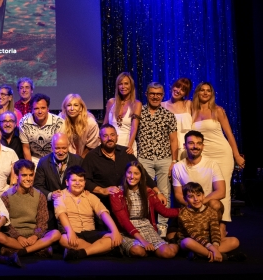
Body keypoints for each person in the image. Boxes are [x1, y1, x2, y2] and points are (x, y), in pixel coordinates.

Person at [191, 82, 244, 222]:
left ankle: (222, 223)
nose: (205, 93)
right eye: (202, 90)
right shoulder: (191, 111)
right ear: (198, 92)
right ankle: (205, 223)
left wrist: (236, 154)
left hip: (222, 153)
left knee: (223, 189)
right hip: (203, 155)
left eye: (208, 91)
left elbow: (229, 134)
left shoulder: (218, 110)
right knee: (205, 187)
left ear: (211, 94)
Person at [110, 161, 179, 258]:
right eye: (129, 173)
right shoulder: (117, 194)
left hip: (146, 228)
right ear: (125, 174)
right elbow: (124, 221)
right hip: (127, 231)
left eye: (136, 173)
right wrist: (143, 241)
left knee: (168, 253)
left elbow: (165, 212)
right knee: (138, 251)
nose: (132, 176)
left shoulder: (149, 192)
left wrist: (185, 211)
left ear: (141, 176)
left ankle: (179, 244)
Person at [82, 124, 162, 207]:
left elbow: (142, 173)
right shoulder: (91, 157)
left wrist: (158, 192)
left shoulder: (126, 152)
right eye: (105, 136)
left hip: (127, 203)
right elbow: (85, 180)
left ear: (117, 137)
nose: (109, 138)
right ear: (100, 139)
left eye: (112, 135)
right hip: (103, 204)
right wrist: (102, 190)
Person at [135, 82, 178, 237]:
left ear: (162, 96)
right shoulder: (139, 113)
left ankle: (162, 226)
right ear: (146, 94)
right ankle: (145, 223)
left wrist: (174, 161)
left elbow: (174, 140)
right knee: (143, 192)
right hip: (144, 157)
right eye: (152, 93)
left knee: (164, 193)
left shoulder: (168, 115)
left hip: (164, 158)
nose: (155, 96)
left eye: (158, 94)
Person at [55, 165, 123, 261]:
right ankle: (101, 250)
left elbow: (103, 213)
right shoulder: (60, 195)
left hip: (91, 233)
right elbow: (61, 214)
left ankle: (81, 253)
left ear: (85, 182)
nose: (78, 183)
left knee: (113, 237)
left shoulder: (90, 196)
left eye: (81, 180)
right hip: (73, 233)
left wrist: (115, 231)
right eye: (74, 180)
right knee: (63, 239)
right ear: (67, 182)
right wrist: (70, 231)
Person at [0, 160, 61, 258]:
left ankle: (22, 251)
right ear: (17, 176)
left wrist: (35, 236)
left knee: (56, 234)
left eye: (31, 175)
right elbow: (5, 223)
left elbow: (42, 221)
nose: (28, 178)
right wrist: (18, 236)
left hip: (34, 235)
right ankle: (36, 249)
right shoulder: (6, 196)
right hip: (14, 236)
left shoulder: (40, 195)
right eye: (24, 175)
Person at [172, 131, 226, 236]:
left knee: (215, 204)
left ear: (203, 146)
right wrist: (192, 204)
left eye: (199, 143)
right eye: (191, 143)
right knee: (171, 239)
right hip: (188, 207)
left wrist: (200, 202)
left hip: (207, 206)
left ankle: (209, 234)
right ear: (185, 146)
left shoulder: (212, 164)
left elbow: (221, 191)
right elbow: (178, 194)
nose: (195, 146)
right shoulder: (178, 167)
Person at [177, 182, 245, 262]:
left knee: (235, 241)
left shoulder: (211, 211)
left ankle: (201, 254)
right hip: (192, 240)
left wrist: (215, 246)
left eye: (198, 195)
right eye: (191, 197)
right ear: (185, 199)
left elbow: (215, 230)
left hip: (208, 241)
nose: (196, 199)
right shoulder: (183, 213)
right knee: (187, 242)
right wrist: (212, 248)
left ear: (203, 195)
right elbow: (194, 234)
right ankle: (224, 257)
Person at [34, 133, 83, 229]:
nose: (61, 152)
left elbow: (83, 183)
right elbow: (37, 185)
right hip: (51, 207)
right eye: (57, 148)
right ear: (52, 147)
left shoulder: (78, 161)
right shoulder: (43, 162)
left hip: (74, 206)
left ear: (68, 147)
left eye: (64, 148)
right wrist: (50, 195)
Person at [19, 93, 65, 164]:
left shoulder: (59, 123)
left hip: (54, 159)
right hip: (34, 159)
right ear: (32, 110)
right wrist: (30, 169)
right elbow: (26, 148)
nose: (40, 111)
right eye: (36, 108)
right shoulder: (24, 123)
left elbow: (60, 148)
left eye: (43, 108)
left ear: (48, 109)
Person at [104, 72, 142, 155]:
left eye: (126, 84)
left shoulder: (136, 104)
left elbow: (134, 127)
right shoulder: (111, 102)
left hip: (127, 144)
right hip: (110, 143)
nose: (123, 87)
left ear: (131, 86)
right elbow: (105, 124)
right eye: (120, 84)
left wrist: (130, 146)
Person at [161, 78, 193, 160]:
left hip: (187, 146)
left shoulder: (189, 104)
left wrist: (217, 109)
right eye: (177, 87)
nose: (178, 91)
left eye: (183, 90)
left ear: (185, 93)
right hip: (169, 147)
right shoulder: (162, 105)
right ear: (173, 86)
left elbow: (202, 113)